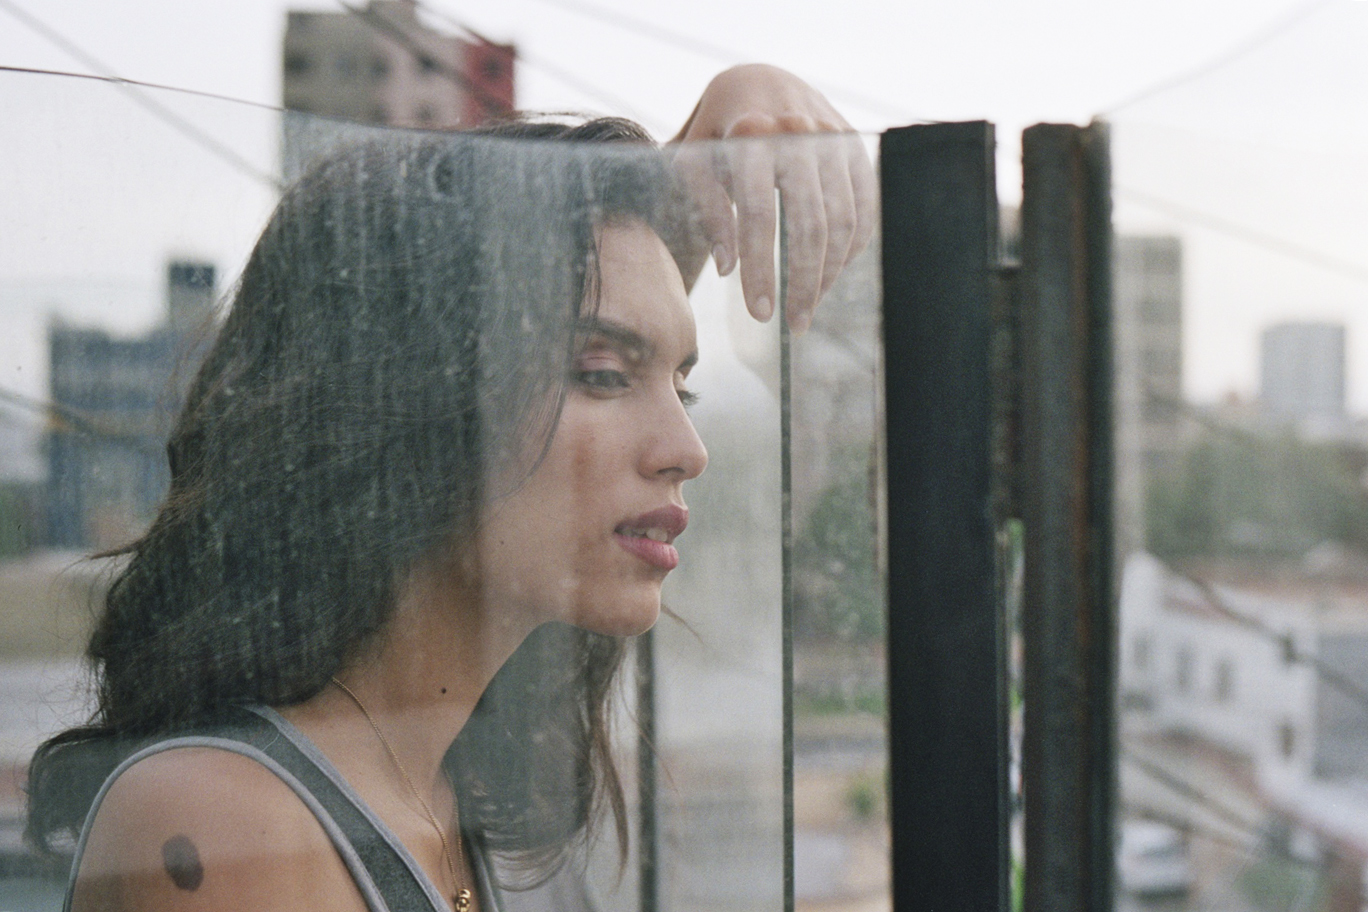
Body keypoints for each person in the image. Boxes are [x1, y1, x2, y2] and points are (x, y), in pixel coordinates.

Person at [25, 64, 875, 912]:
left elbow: (573, 324)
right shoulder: (224, 825)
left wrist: (726, 115)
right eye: (605, 376)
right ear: (409, 400)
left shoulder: (442, 791)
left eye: (681, 387)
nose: (686, 450)